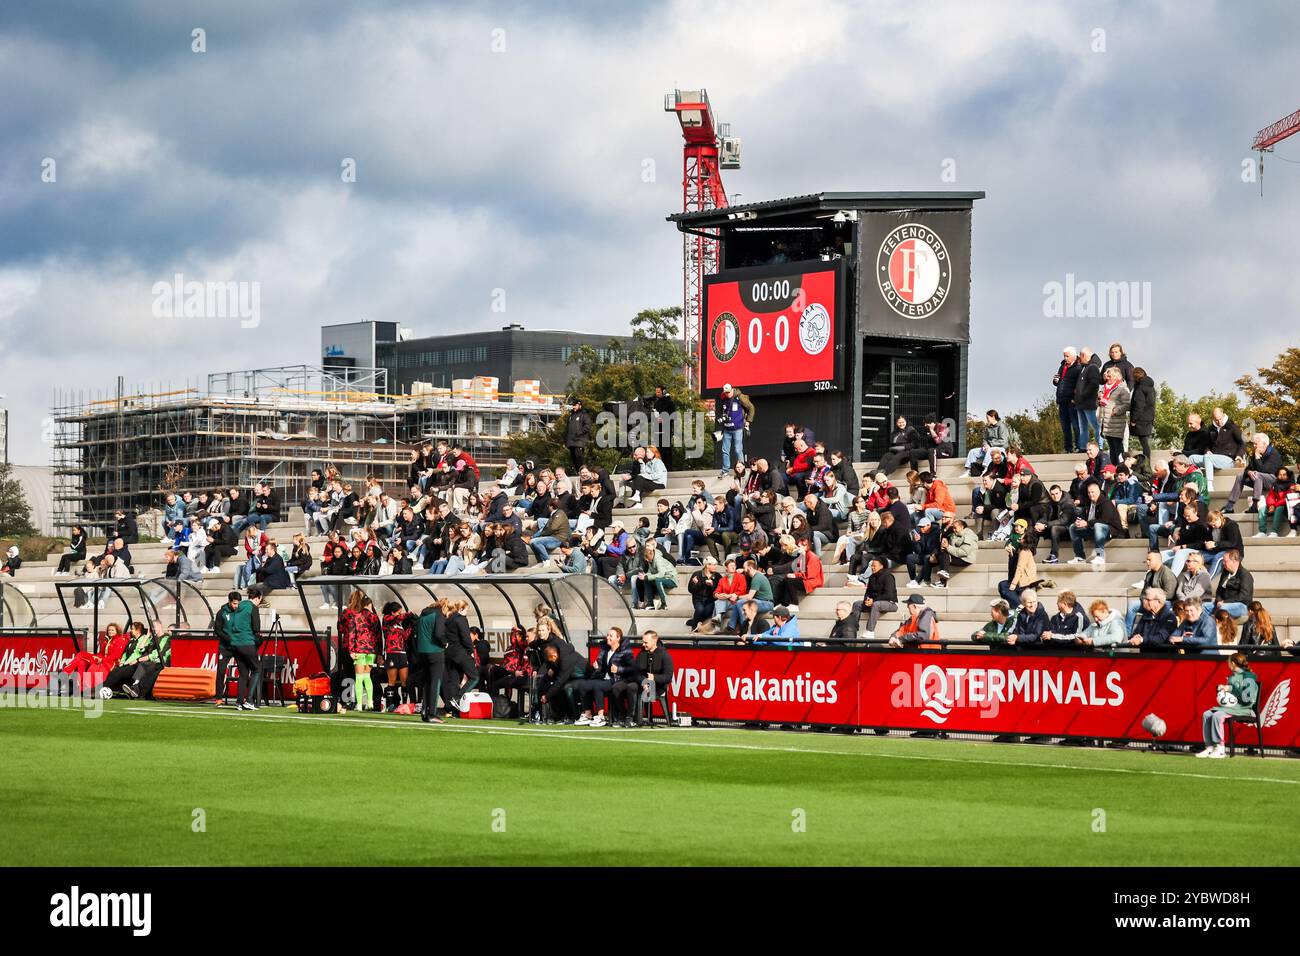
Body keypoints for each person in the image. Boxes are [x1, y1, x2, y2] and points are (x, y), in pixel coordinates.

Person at [1197, 652, 1260, 758]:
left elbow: (1246, 699)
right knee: (1207, 714)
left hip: (1243, 708)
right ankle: (1209, 747)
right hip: (1232, 708)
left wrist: (1230, 689)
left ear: (1233, 664)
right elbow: (1231, 697)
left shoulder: (1248, 677)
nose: (1228, 664)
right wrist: (1223, 692)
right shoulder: (1232, 677)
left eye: (1229, 662)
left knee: (1217, 716)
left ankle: (1220, 748)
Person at [573, 627, 635, 727]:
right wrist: (596, 666)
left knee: (598, 686)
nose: (608, 637)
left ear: (618, 638)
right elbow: (601, 667)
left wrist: (619, 669)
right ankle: (588, 714)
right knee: (583, 685)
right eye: (608, 635)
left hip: (616, 680)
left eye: (611, 636)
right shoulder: (605, 650)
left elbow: (632, 668)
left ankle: (601, 717)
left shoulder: (625, 651)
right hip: (603, 678)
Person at [339, 591, 381, 712]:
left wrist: (351, 650)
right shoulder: (373, 617)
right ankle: (371, 702)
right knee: (367, 676)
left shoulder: (351, 615)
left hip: (356, 649)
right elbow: (379, 635)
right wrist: (379, 653)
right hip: (371, 650)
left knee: (354, 676)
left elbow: (344, 630)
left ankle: (353, 703)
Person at [220, 590, 261, 710]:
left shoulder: (238, 607)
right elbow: (256, 627)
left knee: (243, 673)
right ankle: (249, 700)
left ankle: (239, 702)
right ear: (258, 598)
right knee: (257, 669)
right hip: (246, 642)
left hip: (235, 643)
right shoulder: (253, 607)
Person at [1190, 407, 1247, 493]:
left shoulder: (1232, 427)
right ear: (1213, 419)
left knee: (1207, 458)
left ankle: (1209, 486)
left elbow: (1243, 443)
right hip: (1213, 458)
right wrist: (1207, 450)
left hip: (1228, 459)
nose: (1219, 422)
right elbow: (1207, 445)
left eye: (1220, 419)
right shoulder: (1210, 429)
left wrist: (1239, 455)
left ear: (1223, 415)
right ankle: (1194, 483)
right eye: (1216, 420)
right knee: (1192, 458)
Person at [407, 602, 447, 723]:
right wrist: (445, 643)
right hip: (435, 651)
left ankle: (424, 712)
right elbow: (439, 634)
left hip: (422, 652)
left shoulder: (423, 615)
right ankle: (432, 713)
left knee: (427, 683)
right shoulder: (438, 615)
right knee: (436, 682)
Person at [1068, 481, 1124, 566]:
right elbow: (1088, 518)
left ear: (1098, 491)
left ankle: (1100, 556)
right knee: (1073, 527)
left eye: (1092, 492)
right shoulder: (1089, 502)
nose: (1090, 494)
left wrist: (1086, 523)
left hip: (1111, 531)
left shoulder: (1106, 502)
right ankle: (1080, 556)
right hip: (1093, 529)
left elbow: (1104, 520)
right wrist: (1080, 522)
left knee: (1098, 525)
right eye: (1089, 492)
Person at [1226, 432, 1282, 515]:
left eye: (1256, 444)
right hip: (1259, 480)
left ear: (1264, 444)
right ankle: (1229, 506)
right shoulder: (1256, 453)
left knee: (1257, 475)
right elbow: (1247, 469)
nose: (1254, 446)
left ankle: (1255, 505)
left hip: (1274, 481)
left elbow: (1263, 470)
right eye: (1254, 444)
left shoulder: (1274, 454)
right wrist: (1249, 471)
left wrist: (1257, 457)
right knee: (1240, 476)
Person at [715, 383, 754, 475]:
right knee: (725, 450)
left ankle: (741, 469)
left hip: (738, 428)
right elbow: (723, 411)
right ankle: (725, 470)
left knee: (737, 449)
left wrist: (748, 421)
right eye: (726, 392)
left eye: (728, 392)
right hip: (727, 428)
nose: (727, 394)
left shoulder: (740, 397)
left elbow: (751, 408)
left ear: (732, 390)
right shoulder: (723, 398)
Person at [1097, 366, 1131, 465]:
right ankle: (1115, 469)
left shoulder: (1122, 388)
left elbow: (1127, 404)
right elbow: (1100, 403)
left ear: (1117, 377)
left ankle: (1122, 468)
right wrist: (1099, 400)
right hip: (1106, 423)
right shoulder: (1103, 389)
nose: (1107, 378)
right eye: (1107, 375)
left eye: (1110, 376)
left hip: (1116, 422)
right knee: (1112, 448)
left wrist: (1117, 410)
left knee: (1118, 448)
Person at [1072, 346, 1103, 452]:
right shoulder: (1084, 367)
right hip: (1080, 403)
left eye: (1080, 356)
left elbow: (1094, 384)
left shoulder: (1093, 367)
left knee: (1095, 425)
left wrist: (1083, 394)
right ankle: (1083, 447)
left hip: (1088, 403)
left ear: (1084, 355)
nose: (1079, 358)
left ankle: (1100, 446)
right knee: (1083, 427)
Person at [1053, 346, 1082, 452]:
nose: (1065, 358)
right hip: (1062, 400)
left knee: (1076, 426)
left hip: (1072, 401)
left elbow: (1079, 385)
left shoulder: (1078, 368)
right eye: (1064, 356)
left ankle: (1079, 446)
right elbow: (1061, 381)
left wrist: (1075, 398)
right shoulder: (1062, 366)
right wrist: (1055, 381)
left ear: (1074, 356)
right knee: (1065, 427)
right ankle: (1068, 448)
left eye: (1067, 356)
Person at [1211, 549, 1253, 621]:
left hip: (1241, 605)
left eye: (1225, 561)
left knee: (1222, 609)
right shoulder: (1225, 573)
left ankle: (1218, 630)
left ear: (1234, 561)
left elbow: (1243, 595)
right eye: (1223, 561)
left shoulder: (1245, 575)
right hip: (1223, 603)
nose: (1223, 563)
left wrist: (1225, 602)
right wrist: (1218, 600)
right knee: (1203, 607)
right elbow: (1219, 590)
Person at [1127, 367, 1156, 461]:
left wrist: (1134, 420)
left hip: (1141, 419)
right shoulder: (1150, 387)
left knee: (1144, 444)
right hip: (1149, 417)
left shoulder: (1140, 388)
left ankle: (1147, 463)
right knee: (1146, 442)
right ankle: (1146, 462)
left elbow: (1138, 406)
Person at [563, 399, 593, 470]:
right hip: (571, 441)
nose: (574, 407)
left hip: (579, 441)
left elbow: (587, 426)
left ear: (580, 405)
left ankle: (583, 471)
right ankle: (578, 472)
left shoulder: (584, 415)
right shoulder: (571, 416)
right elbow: (567, 428)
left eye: (575, 405)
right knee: (574, 459)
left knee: (579, 458)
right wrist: (565, 439)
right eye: (573, 405)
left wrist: (579, 432)